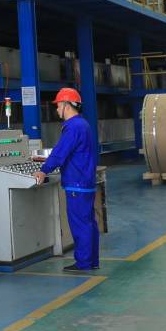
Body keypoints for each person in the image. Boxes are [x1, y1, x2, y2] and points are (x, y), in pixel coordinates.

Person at [32, 87, 99, 274]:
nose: (57, 109)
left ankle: (83, 263)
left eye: (58, 105)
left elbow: (59, 153)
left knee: (80, 225)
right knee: (89, 223)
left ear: (66, 106)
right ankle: (91, 261)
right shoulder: (84, 124)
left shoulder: (73, 127)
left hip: (77, 183)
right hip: (86, 182)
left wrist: (43, 170)